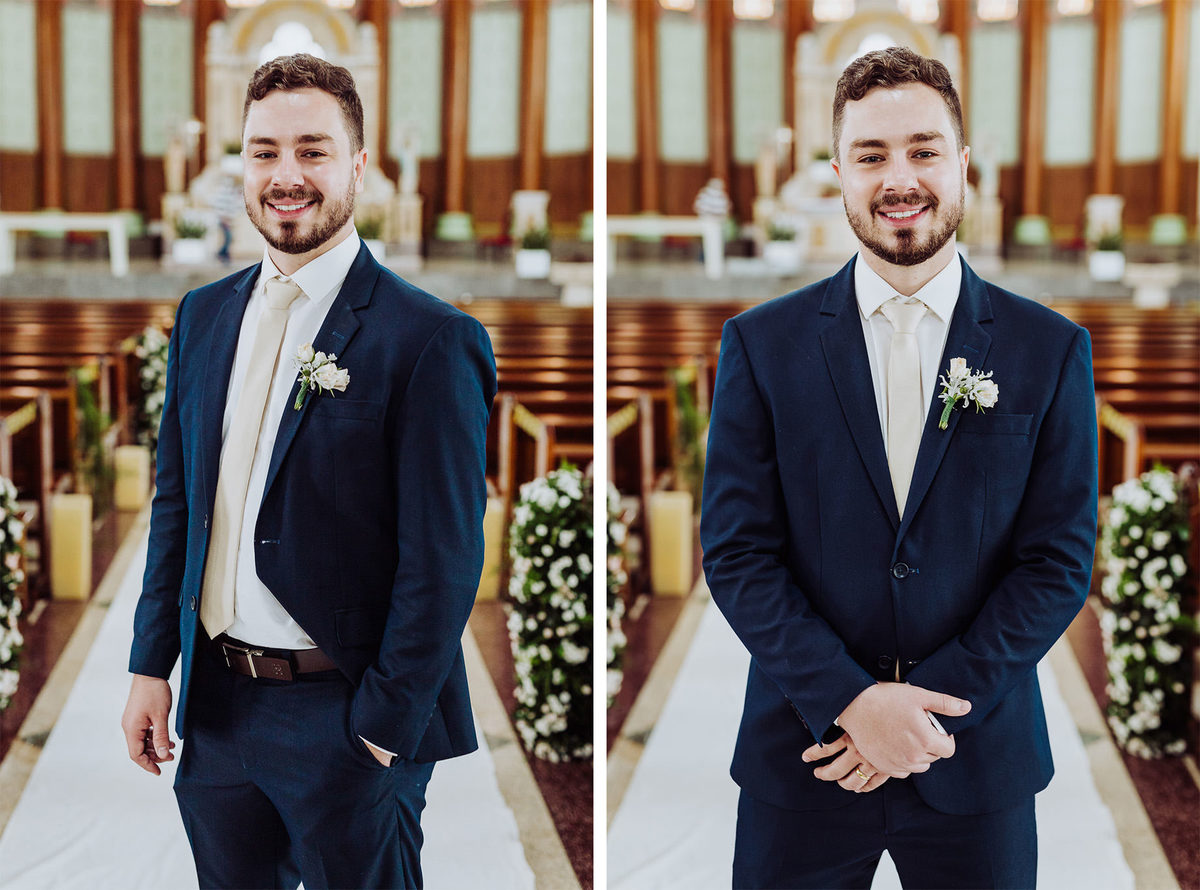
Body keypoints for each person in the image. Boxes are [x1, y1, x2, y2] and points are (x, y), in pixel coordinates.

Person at [700, 46, 1097, 889]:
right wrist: (853, 703)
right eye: (872, 156)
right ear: (838, 172)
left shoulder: (1049, 350)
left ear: (963, 166)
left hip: (976, 756)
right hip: (806, 754)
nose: (900, 179)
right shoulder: (761, 346)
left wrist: (920, 715)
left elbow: (1057, 561)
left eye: (923, 150)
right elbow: (738, 554)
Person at [120, 54, 496, 890]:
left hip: (346, 717)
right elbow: (179, 503)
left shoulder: (429, 338)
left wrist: (381, 728)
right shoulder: (204, 315)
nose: (286, 175)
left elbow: (443, 563)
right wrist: (152, 665)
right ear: (241, 165)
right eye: (264, 152)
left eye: (313, 150)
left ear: (359, 165)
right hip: (216, 711)